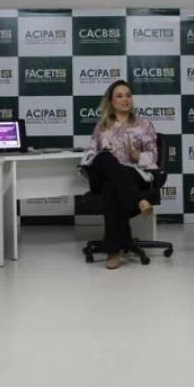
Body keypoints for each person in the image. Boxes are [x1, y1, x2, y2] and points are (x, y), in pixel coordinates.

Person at [81, 80, 158, 270]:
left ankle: (113, 250)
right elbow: (89, 154)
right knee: (105, 158)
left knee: (112, 187)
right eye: (119, 96)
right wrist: (102, 155)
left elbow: (154, 158)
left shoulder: (144, 125)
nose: (125, 99)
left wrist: (137, 155)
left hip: (132, 174)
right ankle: (139, 200)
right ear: (111, 101)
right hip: (103, 172)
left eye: (128, 95)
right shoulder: (102, 126)